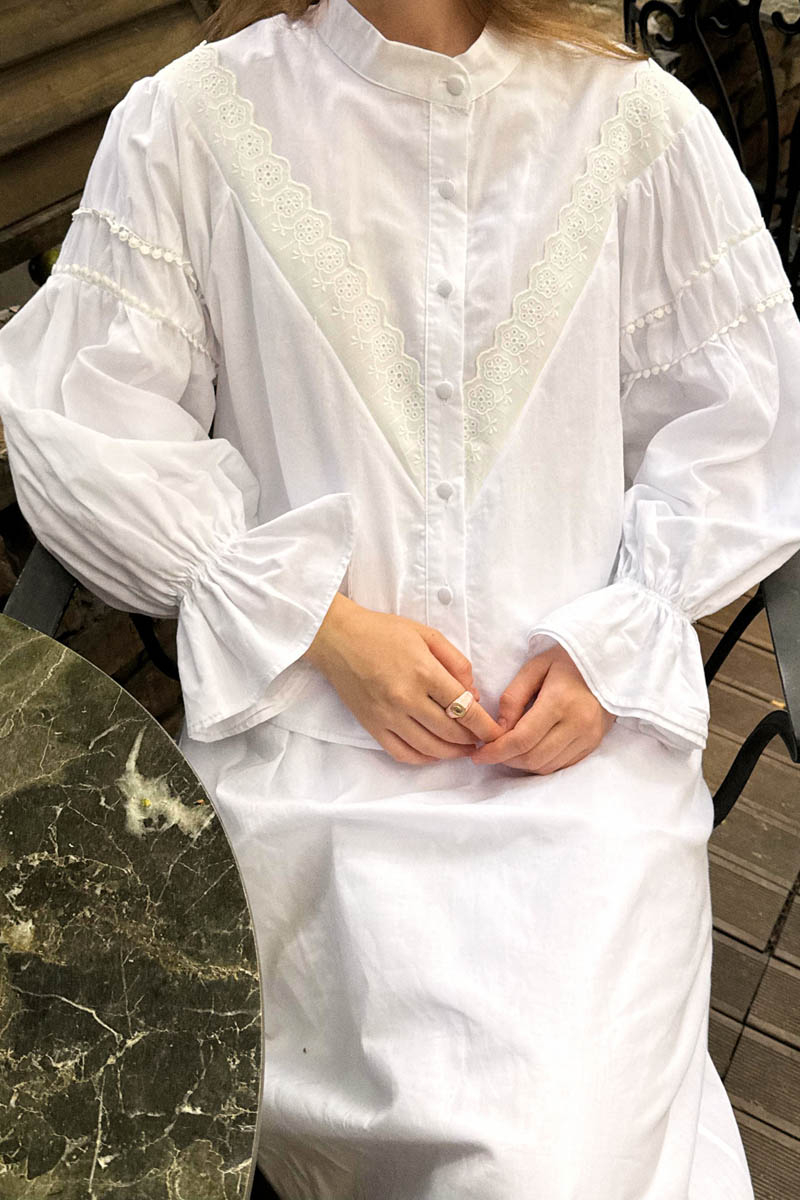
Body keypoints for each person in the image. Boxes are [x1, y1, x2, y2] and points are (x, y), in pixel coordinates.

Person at [1, 0, 798, 1194]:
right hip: (310, 776)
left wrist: (615, 644)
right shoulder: (193, 121)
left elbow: (747, 416)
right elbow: (85, 415)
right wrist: (319, 624)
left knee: (550, 1156)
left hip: (577, 786)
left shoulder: (633, 123)